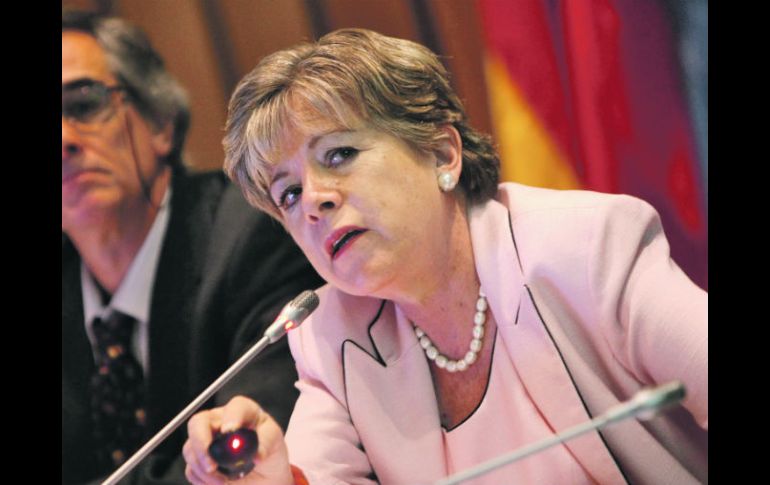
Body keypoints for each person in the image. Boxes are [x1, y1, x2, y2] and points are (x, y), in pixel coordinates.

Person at [183, 28, 708, 484]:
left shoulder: (581, 248)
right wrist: (271, 478)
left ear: (441, 153)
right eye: (289, 193)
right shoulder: (330, 337)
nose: (314, 200)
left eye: (339, 154)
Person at [62, 10, 324, 484]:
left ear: (160, 123)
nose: (63, 139)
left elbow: (242, 461)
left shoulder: (253, 235)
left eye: (83, 105)